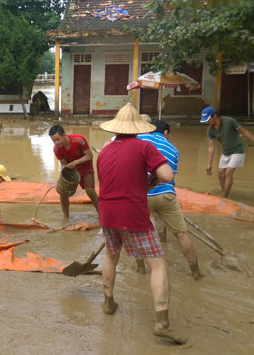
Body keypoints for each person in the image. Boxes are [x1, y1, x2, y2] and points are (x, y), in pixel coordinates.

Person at [97, 103, 186, 345]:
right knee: (158, 265)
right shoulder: (145, 146)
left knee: (111, 256)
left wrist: (144, 181)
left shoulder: (104, 150)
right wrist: (154, 174)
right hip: (132, 213)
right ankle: (162, 323)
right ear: (139, 128)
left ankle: (108, 303)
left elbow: (116, 181)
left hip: (106, 212)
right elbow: (168, 176)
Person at [137, 118, 202, 280]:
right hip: (166, 195)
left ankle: (140, 269)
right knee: (181, 233)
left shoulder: (138, 139)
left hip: (141, 196)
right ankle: (196, 271)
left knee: (137, 233)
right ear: (165, 133)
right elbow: (169, 177)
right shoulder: (173, 148)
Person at [200, 106, 254, 198]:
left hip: (237, 150)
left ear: (214, 116)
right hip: (226, 152)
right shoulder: (210, 130)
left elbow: (244, 132)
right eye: (205, 120)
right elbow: (211, 147)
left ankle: (224, 197)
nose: (207, 122)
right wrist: (209, 164)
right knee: (220, 174)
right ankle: (226, 194)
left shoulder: (229, 121)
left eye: (208, 119)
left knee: (228, 172)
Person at [48, 125, 97, 219]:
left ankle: (102, 215)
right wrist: (63, 172)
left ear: (64, 135)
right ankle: (66, 218)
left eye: (58, 139)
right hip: (72, 171)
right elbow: (63, 163)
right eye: (53, 141)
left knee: (90, 190)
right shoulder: (56, 149)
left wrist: (75, 162)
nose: (56, 143)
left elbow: (89, 156)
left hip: (85, 167)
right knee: (63, 194)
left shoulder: (79, 140)